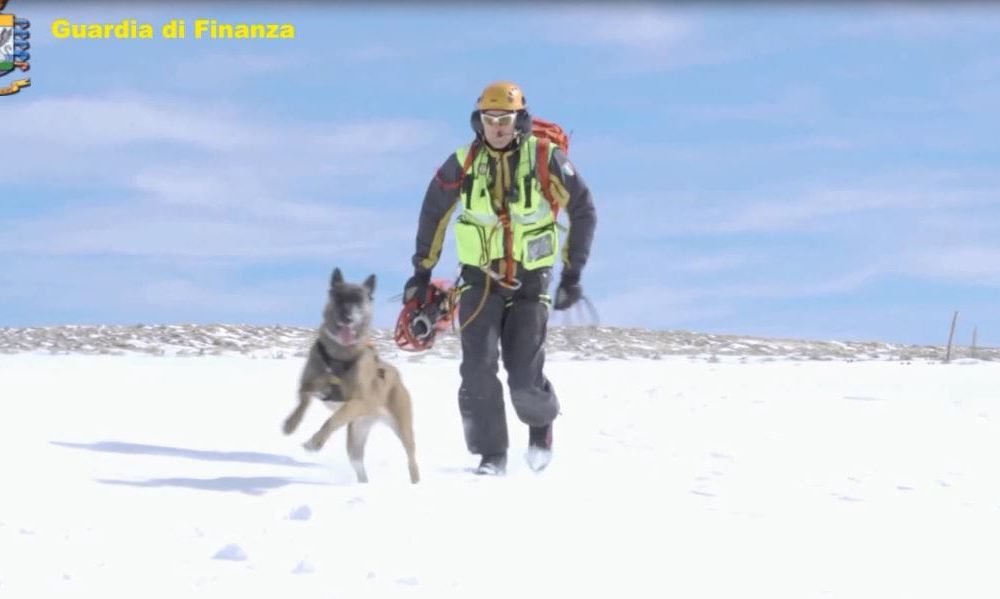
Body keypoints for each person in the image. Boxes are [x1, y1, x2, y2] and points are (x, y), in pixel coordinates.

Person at [403, 81, 597, 475]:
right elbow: (433, 214)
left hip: (530, 284)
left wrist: (572, 273)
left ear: (519, 120)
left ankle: (542, 424)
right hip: (479, 280)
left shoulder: (547, 158)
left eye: (505, 119)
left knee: (524, 378)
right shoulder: (462, 163)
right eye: (490, 120)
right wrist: (421, 272)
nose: (498, 127)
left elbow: (583, 208)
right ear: (479, 122)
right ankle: (491, 456)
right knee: (477, 367)